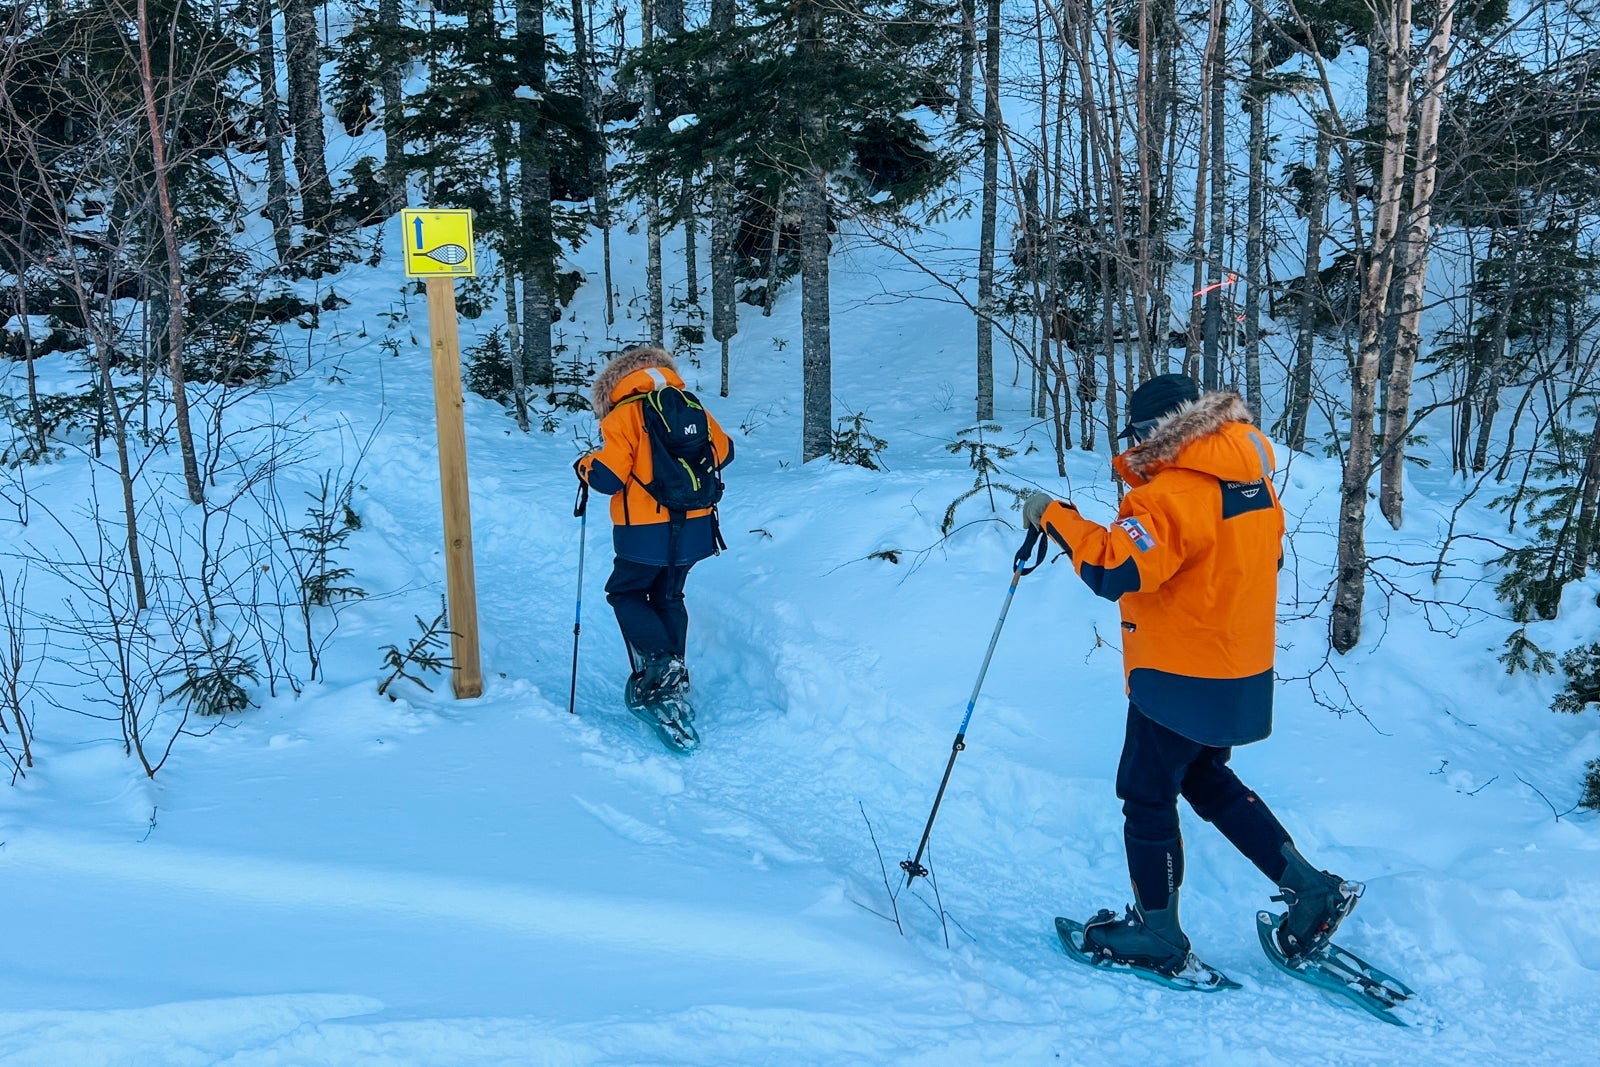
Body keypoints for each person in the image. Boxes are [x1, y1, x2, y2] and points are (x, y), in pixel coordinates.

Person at [1022, 373, 1357, 976]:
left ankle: (1158, 934)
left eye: (1136, 436)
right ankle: (1310, 892)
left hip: (1179, 673)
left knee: (1146, 794)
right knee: (1205, 778)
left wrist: (1055, 517)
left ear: (1157, 431)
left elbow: (1113, 568)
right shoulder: (1252, 485)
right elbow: (1257, 559)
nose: (1134, 448)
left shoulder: (1172, 493)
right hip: (1239, 668)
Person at [577, 346, 733, 704]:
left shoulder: (622, 416)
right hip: (696, 526)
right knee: (669, 595)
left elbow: (608, 479)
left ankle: (662, 663)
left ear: (614, 384)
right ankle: (673, 671)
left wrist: (585, 465)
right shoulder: (691, 405)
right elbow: (725, 452)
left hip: (643, 531)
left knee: (625, 593)